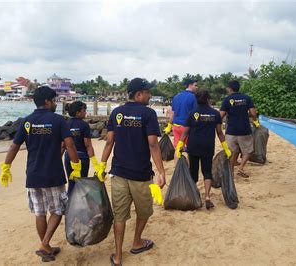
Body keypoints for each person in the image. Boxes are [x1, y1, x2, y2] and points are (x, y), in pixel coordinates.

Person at [0, 86, 81, 262]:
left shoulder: (27, 122)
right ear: (47, 101)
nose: (56, 104)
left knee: (40, 212)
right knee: (58, 210)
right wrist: (76, 166)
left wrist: (6, 167)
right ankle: (44, 244)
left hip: (33, 175)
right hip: (53, 175)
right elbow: (70, 145)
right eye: (54, 100)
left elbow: (14, 146)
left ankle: (47, 247)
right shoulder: (58, 121)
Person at [96, 77, 166, 266]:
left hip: (118, 173)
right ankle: (136, 242)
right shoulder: (148, 113)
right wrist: (161, 171)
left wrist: (102, 166)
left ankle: (118, 256)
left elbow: (109, 141)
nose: (150, 95)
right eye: (148, 92)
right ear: (139, 94)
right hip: (141, 175)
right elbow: (153, 143)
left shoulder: (117, 112)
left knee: (120, 215)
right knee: (144, 211)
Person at [175, 90, 231, 209]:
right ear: (208, 99)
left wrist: (179, 145)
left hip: (193, 146)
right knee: (207, 171)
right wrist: (226, 148)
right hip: (208, 146)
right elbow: (220, 132)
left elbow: (185, 132)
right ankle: (207, 197)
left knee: (193, 171)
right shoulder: (215, 114)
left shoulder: (192, 113)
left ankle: (194, 194)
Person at [220, 80, 259, 178]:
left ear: (230, 88)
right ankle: (241, 167)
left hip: (231, 131)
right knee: (248, 151)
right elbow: (253, 113)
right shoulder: (247, 98)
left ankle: (231, 172)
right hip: (244, 130)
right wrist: (254, 121)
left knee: (233, 152)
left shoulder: (227, 100)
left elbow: (221, 116)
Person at [63, 101, 99, 195]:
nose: (85, 112)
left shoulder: (66, 124)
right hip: (81, 158)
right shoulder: (84, 125)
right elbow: (88, 145)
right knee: (82, 183)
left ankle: (70, 205)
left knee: (71, 182)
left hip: (68, 157)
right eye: (84, 110)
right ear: (77, 112)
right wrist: (95, 163)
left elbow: (63, 144)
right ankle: (80, 207)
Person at [164, 79, 198, 147]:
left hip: (176, 127)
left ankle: (178, 158)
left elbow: (173, 113)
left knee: (177, 148)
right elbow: (195, 114)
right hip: (187, 128)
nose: (197, 87)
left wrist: (169, 126)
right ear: (190, 85)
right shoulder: (193, 97)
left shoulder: (176, 97)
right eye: (195, 85)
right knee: (190, 149)